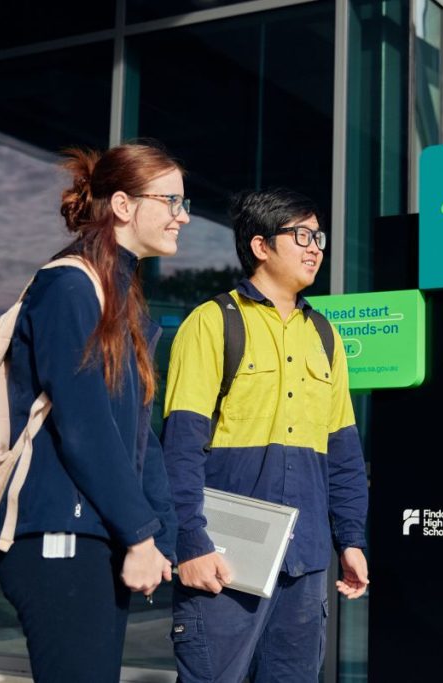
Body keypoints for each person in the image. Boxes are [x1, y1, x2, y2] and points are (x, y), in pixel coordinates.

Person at [0, 143, 188, 682]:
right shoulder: (68, 287)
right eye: (171, 201)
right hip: (59, 538)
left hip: (97, 540)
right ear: (123, 205)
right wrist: (142, 536)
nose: (184, 215)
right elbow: (85, 429)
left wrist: (160, 536)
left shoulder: (120, 300)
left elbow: (136, 440)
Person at [162, 188, 369, 683]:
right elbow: (181, 449)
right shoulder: (212, 323)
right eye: (301, 235)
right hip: (224, 558)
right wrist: (189, 542)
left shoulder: (325, 335)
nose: (315, 246)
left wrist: (352, 539)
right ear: (260, 246)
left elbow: (342, 451)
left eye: (319, 236)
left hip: (306, 561)